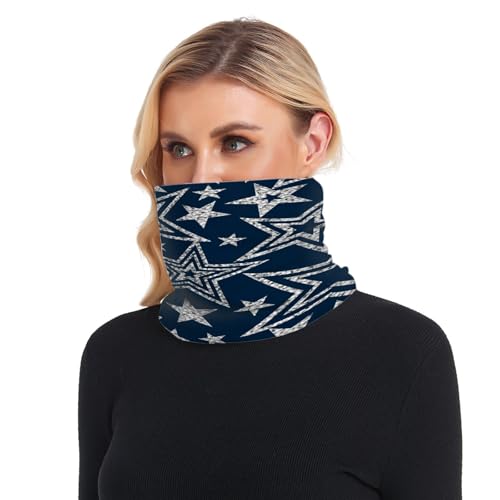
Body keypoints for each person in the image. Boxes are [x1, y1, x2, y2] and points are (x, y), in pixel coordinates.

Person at [78, 17, 462, 499]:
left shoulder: (403, 353)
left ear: (313, 143)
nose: (201, 179)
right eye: (178, 149)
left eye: (234, 143)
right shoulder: (116, 353)